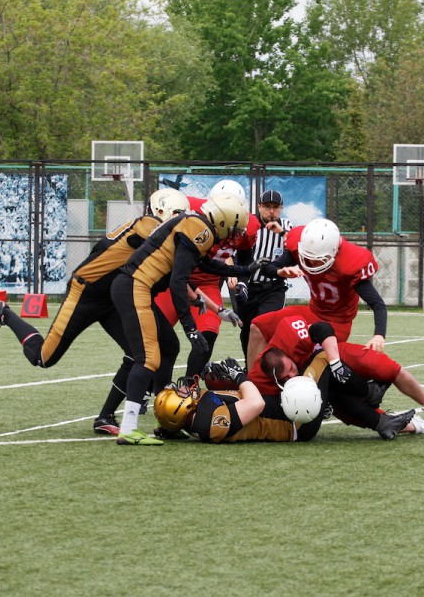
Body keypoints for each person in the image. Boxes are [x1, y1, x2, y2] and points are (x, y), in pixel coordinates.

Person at [0, 188, 190, 435]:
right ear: (164, 213)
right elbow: (156, 235)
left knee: (140, 352)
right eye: (178, 217)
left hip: (115, 296)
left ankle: (108, 416)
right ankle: (5, 314)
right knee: (44, 357)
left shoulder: (158, 232)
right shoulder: (148, 224)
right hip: (86, 293)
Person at [111, 192, 253, 445]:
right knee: (147, 356)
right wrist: (190, 328)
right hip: (141, 286)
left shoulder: (201, 226)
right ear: (222, 219)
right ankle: (123, 422)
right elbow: (178, 282)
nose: (234, 236)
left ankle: (162, 413)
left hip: (150, 286)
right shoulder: (197, 225)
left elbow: (207, 266)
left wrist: (243, 271)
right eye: (233, 229)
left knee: (167, 347)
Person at [249, 314, 424, 438]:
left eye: (291, 370)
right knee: (343, 405)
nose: (292, 376)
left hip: (331, 351)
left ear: (286, 354)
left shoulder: (291, 333)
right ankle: (409, 424)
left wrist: (336, 363)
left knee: (382, 367)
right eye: (285, 378)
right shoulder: (260, 378)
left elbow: (323, 328)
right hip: (319, 385)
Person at [245, 218, 386, 368]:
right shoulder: (301, 249)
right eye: (307, 256)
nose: (310, 262)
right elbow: (268, 268)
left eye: (317, 259)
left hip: (337, 324)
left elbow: (377, 304)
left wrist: (379, 334)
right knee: (257, 327)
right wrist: (280, 272)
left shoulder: (349, 264)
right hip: (312, 312)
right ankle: (253, 383)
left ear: (333, 252)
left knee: (302, 353)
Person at [153, 180, 260, 376]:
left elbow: (245, 255)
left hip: (208, 283)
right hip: (174, 279)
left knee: (207, 334)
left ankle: (189, 384)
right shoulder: (191, 210)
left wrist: (242, 280)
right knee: (155, 334)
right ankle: (148, 387)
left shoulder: (247, 225)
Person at [152, 362, 325, 443]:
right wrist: (238, 376)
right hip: (296, 422)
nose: (183, 389)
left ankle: (329, 404)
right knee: (322, 359)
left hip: (287, 404)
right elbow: (256, 404)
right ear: (181, 408)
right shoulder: (211, 423)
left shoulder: (196, 412)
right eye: (180, 394)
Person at [229, 188, 292, 358]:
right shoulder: (247, 225)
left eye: (275, 207)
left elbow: (296, 246)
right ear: (258, 206)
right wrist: (231, 274)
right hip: (247, 286)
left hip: (274, 288)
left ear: (281, 208)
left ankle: (265, 369)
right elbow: (229, 252)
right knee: (246, 329)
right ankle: (251, 369)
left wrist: (283, 233)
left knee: (266, 326)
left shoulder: (286, 227)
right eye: (267, 206)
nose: (271, 211)